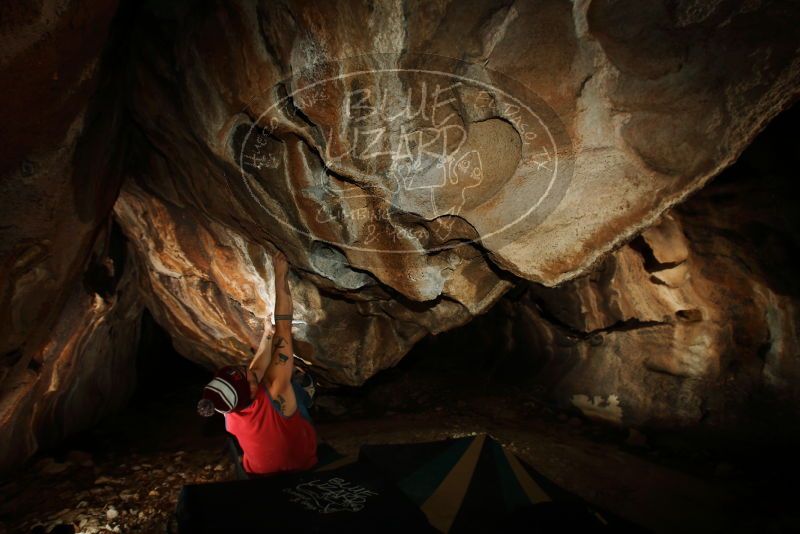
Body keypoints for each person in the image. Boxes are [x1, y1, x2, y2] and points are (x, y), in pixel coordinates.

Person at [196, 249, 317, 475]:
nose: (250, 371)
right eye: (249, 378)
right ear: (251, 390)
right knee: (290, 386)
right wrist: (280, 276)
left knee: (264, 378)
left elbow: (254, 371)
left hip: (257, 473)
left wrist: (267, 335)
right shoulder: (275, 389)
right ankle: (305, 392)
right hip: (301, 467)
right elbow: (284, 327)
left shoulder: (228, 410)